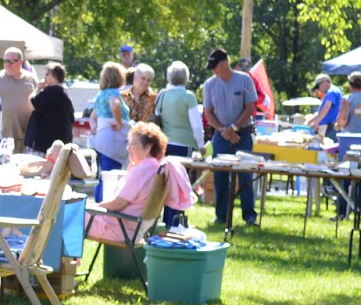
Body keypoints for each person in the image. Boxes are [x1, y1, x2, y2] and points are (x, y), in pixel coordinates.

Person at [86, 122, 194, 242]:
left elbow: (118, 203)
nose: (128, 148)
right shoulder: (156, 169)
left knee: (70, 215)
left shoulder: (141, 171)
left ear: (148, 147)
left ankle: (68, 259)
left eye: (132, 143)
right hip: (137, 230)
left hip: (119, 229)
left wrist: (92, 207)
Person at [202, 48, 260, 228]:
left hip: (243, 133)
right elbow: (208, 112)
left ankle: (249, 216)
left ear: (225, 63)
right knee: (220, 176)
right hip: (220, 134)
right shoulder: (210, 84)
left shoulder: (244, 80)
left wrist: (234, 128)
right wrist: (223, 130)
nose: (213, 71)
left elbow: (250, 107)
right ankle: (221, 216)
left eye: (215, 67)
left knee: (245, 175)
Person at [153, 61, 202, 227]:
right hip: (184, 145)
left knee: (166, 183)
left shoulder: (162, 95)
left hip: (165, 144)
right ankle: (175, 220)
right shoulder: (188, 97)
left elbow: (157, 116)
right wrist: (201, 144)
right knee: (180, 184)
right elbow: (196, 124)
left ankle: (166, 219)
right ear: (186, 78)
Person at [0, 47, 36, 150]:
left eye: (12, 61)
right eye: (6, 61)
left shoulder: (31, 79)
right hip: (4, 137)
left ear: (21, 61)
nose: (8, 64)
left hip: (27, 136)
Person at [24, 62, 76, 154]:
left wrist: (38, 88)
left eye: (47, 74)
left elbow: (31, 105)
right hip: (55, 144)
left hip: (45, 145)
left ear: (54, 76)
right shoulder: (64, 92)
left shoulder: (53, 91)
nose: (45, 77)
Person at [90, 63, 129, 182]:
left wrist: (94, 127)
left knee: (102, 176)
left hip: (100, 139)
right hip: (112, 140)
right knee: (110, 178)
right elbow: (115, 104)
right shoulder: (113, 93)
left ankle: (98, 199)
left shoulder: (100, 95)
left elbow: (92, 117)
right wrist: (119, 122)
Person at [310, 73, 343, 142]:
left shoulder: (332, 92)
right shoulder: (330, 92)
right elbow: (321, 111)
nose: (318, 89)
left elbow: (326, 108)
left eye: (318, 86)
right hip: (329, 128)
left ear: (326, 82)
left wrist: (316, 122)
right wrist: (310, 120)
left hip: (330, 129)